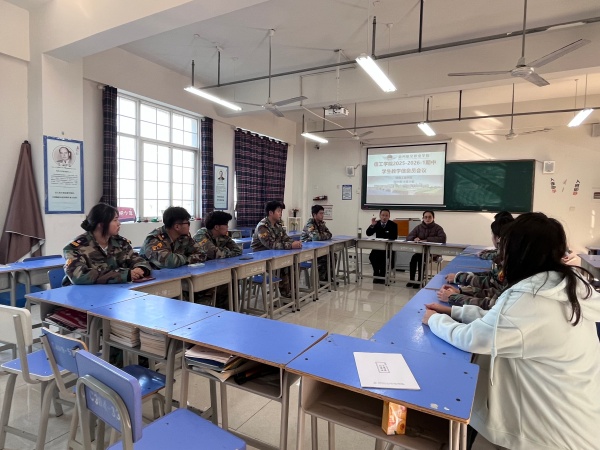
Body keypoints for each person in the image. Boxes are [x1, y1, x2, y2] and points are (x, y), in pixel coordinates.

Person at [422, 213, 600, 450]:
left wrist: (436, 320)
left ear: (520, 253)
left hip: (551, 435)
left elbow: (473, 338)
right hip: (576, 421)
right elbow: (502, 321)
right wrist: (454, 311)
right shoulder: (562, 286)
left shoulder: (532, 298)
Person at [438, 212, 514, 308]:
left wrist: (454, 297)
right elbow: (492, 284)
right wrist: (461, 290)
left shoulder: (512, 266)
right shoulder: (509, 259)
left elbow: (491, 304)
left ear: (499, 239)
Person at [63, 203, 151, 285]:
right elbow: (78, 276)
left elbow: (138, 260)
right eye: (115, 220)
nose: (119, 223)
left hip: (115, 291)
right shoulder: (76, 248)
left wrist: (140, 268)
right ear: (101, 224)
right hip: (83, 294)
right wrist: (124, 275)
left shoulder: (121, 243)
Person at [251, 200, 302, 297]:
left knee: (294, 263)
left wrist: (295, 243)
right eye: (278, 211)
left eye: (281, 211)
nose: (280, 214)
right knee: (284, 266)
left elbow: (286, 238)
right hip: (261, 258)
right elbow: (271, 244)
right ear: (271, 213)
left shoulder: (278, 225)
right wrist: (290, 245)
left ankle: (293, 291)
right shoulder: (262, 227)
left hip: (275, 255)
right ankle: (286, 294)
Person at [140, 206, 206, 269]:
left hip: (177, 273)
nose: (189, 226)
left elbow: (202, 254)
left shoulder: (184, 236)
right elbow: (169, 262)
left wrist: (185, 260)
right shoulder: (154, 239)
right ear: (177, 227)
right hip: (151, 274)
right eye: (187, 223)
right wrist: (188, 258)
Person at [406, 210, 446, 288]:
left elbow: (442, 239)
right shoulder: (419, 227)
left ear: (433, 218)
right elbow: (408, 237)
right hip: (420, 252)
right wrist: (414, 238)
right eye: (425, 217)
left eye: (429, 217)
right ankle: (412, 280)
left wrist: (427, 240)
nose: (427, 219)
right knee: (414, 258)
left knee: (421, 259)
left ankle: (420, 281)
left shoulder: (438, 228)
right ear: (423, 218)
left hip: (433, 253)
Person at [365, 209, 398, 284]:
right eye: (383, 215)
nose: (384, 217)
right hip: (378, 247)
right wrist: (372, 225)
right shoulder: (376, 223)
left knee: (384, 258)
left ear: (389, 216)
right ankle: (376, 274)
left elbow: (394, 237)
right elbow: (368, 233)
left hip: (388, 248)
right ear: (380, 216)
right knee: (372, 257)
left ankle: (382, 275)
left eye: (386, 215)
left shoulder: (393, 225)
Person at [301, 205, 333, 281]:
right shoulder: (310, 224)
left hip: (317, 248)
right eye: (320, 213)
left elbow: (329, 234)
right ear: (314, 215)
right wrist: (322, 235)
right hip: (307, 250)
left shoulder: (321, 223)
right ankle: (320, 279)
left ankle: (327, 277)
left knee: (332, 255)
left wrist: (321, 235)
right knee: (324, 258)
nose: (322, 215)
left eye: (323, 213)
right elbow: (315, 238)